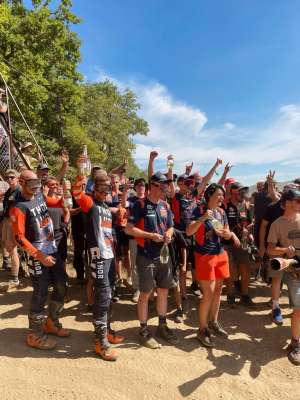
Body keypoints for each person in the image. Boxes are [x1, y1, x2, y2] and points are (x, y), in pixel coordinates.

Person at [9, 170, 70, 350]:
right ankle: (34, 334)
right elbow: (19, 237)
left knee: (62, 285)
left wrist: (64, 195)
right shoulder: (18, 207)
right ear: (21, 182)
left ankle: (51, 321)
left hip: (52, 249)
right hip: (37, 254)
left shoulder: (39, 196)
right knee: (40, 291)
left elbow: (56, 202)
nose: (35, 187)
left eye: (37, 183)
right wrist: (39, 255)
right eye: (31, 184)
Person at [72, 165, 124, 362]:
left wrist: (119, 212)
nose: (104, 193)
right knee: (102, 295)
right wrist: (81, 172)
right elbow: (77, 192)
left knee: (109, 293)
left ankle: (107, 330)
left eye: (107, 190)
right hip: (98, 257)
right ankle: (100, 341)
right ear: (94, 189)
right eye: (100, 189)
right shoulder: (90, 203)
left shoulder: (104, 207)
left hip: (110, 255)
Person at [125, 172, 178, 349]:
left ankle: (162, 325)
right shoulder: (139, 204)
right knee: (146, 293)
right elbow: (129, 229)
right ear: (154, 185)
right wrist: (150, 236)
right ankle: (143, 330)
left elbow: (171, 226)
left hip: (164, 254)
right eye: (163, 185)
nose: (166, 188)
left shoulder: (165, 205)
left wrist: (169, 235)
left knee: (163, 290)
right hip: (146, 255)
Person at [187, 183, 239, 347]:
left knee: (217, 291)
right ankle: (202, 330)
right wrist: (202, 219)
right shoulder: (199, 209)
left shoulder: (222, 212)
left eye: (223, 195)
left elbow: (227, 232)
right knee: (208, 294)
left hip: (220, 254)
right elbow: (189, 231)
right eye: (218, 195)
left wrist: (228, 234)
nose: (222, 198)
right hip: (204, 256)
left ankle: (213, 322)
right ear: (209, 196)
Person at [267, 188, 300, 365]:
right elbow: (269, 249)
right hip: (289, 267)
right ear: (287, 203)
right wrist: (285, 250)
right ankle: (295, 344)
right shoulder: (276, 224)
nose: (299, 203)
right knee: (298, 308)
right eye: (297, 200)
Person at [225, 182, 254, 306]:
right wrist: (231, 234)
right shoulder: (225, 205)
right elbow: (221, 222)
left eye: (244, 190)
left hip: (243, 241)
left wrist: (249, 231)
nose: (242, 193)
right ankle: (230, 295)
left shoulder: (245, 205)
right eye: (240, 190)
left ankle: (245, 295)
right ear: (232, 191)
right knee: (230, 269)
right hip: (227, 242)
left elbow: (250, 222)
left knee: (245, 268)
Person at [1, 169, 21, 289]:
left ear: (18, 178)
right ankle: (17, 272)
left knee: (13, 249)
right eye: (7, 177)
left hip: (14, 223)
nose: (9, 179)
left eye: (12, 177)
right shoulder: (9, 191)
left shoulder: (19, 191)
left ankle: (15, 278)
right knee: (7, 246)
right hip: (7, 220)